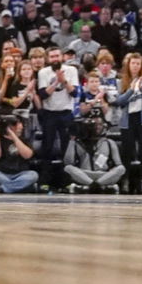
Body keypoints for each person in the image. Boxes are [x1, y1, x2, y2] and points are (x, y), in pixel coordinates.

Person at [113, 51, 142, 194]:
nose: (135, 66)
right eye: (133, 63)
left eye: (138, 64)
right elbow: (119, 101)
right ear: (128, 65)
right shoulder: (121, 81)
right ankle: (125, 181)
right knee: (127, 151)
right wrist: (131, 90)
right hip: (128, 120)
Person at [36, 46, 79, 192]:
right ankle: (45, 182)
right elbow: (43, 95)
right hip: (49, 113)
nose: (55, 59)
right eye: (52, 56)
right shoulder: (43, 72)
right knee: (47, 148)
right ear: (48, 59)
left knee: (67, 149)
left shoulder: (71, 70)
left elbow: (75, 93)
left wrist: (64, 81)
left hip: (66, 113)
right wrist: (56, 82)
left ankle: (66, 182)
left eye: (57, 56)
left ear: (62, 57)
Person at [63, 115, 124, 194]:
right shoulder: (77, 143)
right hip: (84, 174)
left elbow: (118, 164)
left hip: (103, 175)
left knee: (121, 168)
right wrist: (72, 141)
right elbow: (68, 162)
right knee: (68, 168)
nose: (97, 127)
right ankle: (99, 187)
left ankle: (90, 187)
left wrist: (112, 170)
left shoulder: (109, 142)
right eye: (94, 125)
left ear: (104, 126)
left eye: (100, 124)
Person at [0, 114, 38, 194]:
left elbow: (27, 156)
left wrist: (13, 135)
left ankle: (3, 189)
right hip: (1, 173)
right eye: (18, 124)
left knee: (33, 175)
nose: (21, 127)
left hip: (21, 174)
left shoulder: (24, 140)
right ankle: (21, 188)